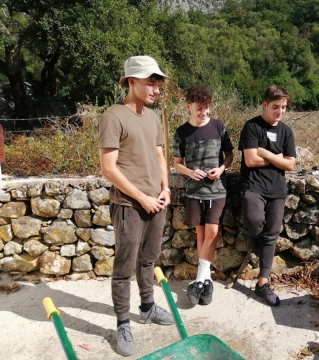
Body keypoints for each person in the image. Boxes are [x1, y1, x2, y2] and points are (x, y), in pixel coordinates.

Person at [98, 55, 174, 357]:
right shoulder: (113, 116)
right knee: (124, 266)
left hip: (157, 201)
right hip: (129, 204)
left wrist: (165, 188)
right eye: (150, 82)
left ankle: (147, 307)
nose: (156, 88)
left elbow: (159, 157)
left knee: (148, 259)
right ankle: (122, 322)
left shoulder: (153, 118)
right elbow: (108, 168)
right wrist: (141, 197)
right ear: (132, 81)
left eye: (158, 83)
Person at [172, 85, 234, 306]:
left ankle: (200, 277)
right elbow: (177, 164)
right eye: (199, 108)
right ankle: (206, 282)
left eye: (206, 108)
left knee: (212, 231)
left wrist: (222, 168)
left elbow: (229, 154)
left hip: (217, 189)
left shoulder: (219, 126)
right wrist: (190, 172)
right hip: (194, 190)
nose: (204, 112)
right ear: (188, 106)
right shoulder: (181, 132)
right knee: (200, 233)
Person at [238, 85, 296, 306]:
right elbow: (250, 161)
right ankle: (259, 250)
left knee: (271, 233)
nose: (280, 111)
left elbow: (290, 164)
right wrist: (276, 157)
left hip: (277, 190)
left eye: (283, 107)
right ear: (264, 104)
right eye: (275, 107)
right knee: (254, 223)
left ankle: (263, 283)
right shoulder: (252, 127)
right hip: (253, 186)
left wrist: (265, 152)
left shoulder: (286, 132)